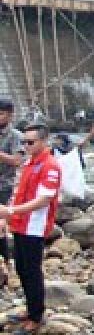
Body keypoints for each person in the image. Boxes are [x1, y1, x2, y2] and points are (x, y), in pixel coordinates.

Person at [1, 123, 62, 335]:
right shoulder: (30, 163)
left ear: (43, 141)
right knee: (22, 269)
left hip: (34, 226)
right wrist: (10, 214)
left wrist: (10, 211)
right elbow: (20, 191)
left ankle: (36, 316)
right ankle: (30, 309)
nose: (26, 146)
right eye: (24, 142)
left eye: (30, 142)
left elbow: (44, 199)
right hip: (20, 223)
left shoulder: (50, 165)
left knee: (32, 272)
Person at [0, 99, 21, 286]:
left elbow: (16, 161)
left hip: (4, 185)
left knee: (0, 227)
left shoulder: (15, 136)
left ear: (10, 114)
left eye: (1, 114)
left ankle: (5, 263)